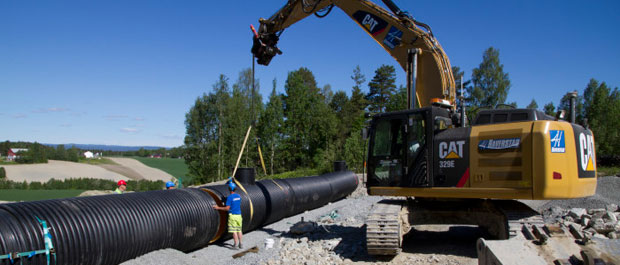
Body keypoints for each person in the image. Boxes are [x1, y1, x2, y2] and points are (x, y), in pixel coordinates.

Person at [213, 181, 243, 249]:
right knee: (239, 230)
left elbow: (227, 208)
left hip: (232, 216)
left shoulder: (229, 197)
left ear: (229, 189)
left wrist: (218, 207)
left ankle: (235, 245)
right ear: (235, 189)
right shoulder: (239, 196)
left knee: (234, 231)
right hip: (239, 215)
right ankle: (241, 244)